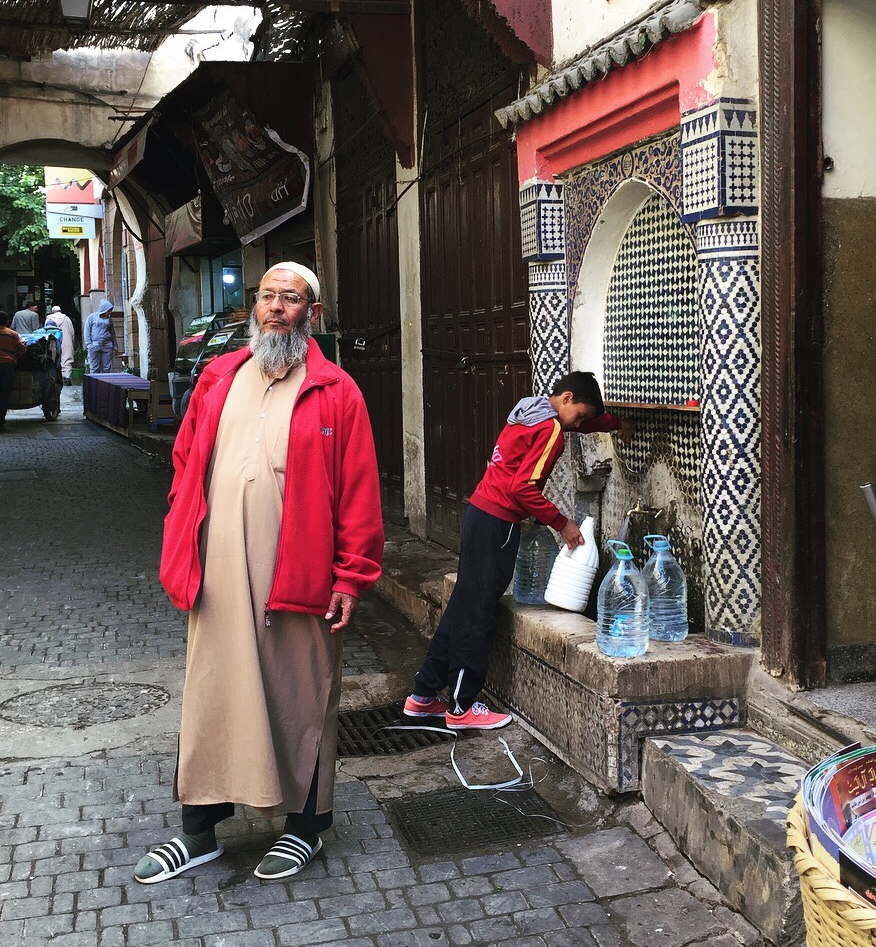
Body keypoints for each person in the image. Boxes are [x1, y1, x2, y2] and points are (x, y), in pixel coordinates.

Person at [134, 262, 383, 885]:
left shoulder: (336, 391)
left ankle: (305, 827)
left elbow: (359, 492)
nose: (275, 307)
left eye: (290, 299)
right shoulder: (220, 375)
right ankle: (199, 831)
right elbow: (186, 462)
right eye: (267, 296)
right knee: (213, 690)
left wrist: (350, 578)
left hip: (300, 573)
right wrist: (182, 536)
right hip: (218, 567)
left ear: (311, 313)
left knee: (302, 689)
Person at [405, 371, 634, 729]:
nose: (578, 426)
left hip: (479, 513)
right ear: (567, 398)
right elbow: (523, 488)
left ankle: (423, 695)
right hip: (498, 523)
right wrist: (563, 523)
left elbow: (579, 422)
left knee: (464, 605)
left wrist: (616, 424)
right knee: (478, 613)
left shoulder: (532, 411)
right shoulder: (551, 430)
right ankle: (462, 708)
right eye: (579, 416)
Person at [0, 311, 26, 431]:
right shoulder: (12, 334)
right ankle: (1, 422)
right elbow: (22, 350)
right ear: (7, 322)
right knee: (3, 394)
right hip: (7, 366)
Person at [84, 299, 119, 373]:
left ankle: (106, 381)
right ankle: (94, 380)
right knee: (94, 368)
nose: (110, 312)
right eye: (109, 310)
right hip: (95, 345)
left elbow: (112, 333)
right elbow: (87, 330)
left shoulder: (109, 320)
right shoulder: (92, 317)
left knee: (107, 368)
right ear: (104, 308)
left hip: (107, 345)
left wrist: (115, 346)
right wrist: (89, 344)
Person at [44, 306, 76, 384]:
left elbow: (46, 332)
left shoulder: (49, 320)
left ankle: (55, 378)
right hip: (66, 340)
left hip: (53, 342)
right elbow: (72, 332)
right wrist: (72, 341)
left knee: (53, 359)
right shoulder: (67, 319)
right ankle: (67, 377)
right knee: (67, 359)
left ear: (52, 312)